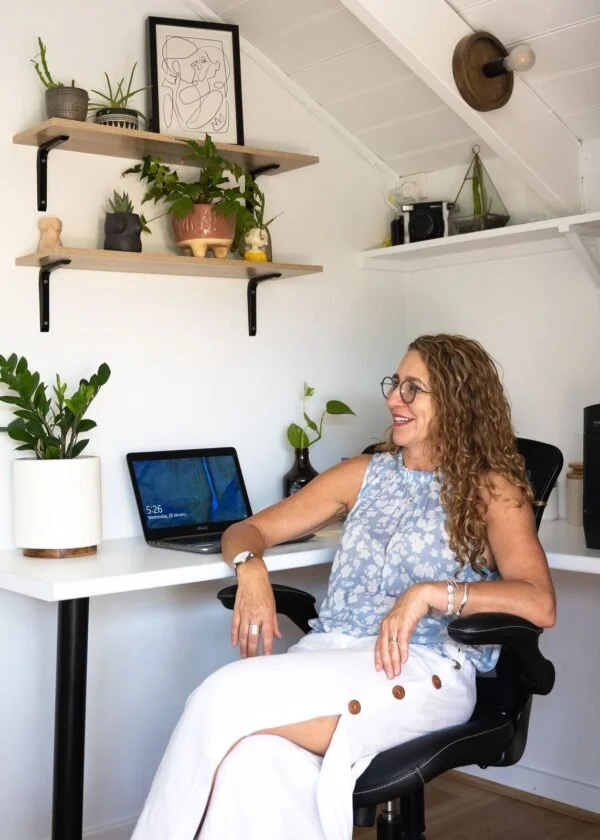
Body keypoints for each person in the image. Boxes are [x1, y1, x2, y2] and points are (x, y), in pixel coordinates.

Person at [131, 334, 556, 840]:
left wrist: (429, 593)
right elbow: (248, 530)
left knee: (218, 699)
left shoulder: (492, 490)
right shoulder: (363, 474)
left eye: (412, 389)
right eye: (395, 384)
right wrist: (250, 568)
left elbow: (538, 601)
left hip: (422, 668)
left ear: (457, 403)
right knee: (255, 763)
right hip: (330, 654)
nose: (393, 398)